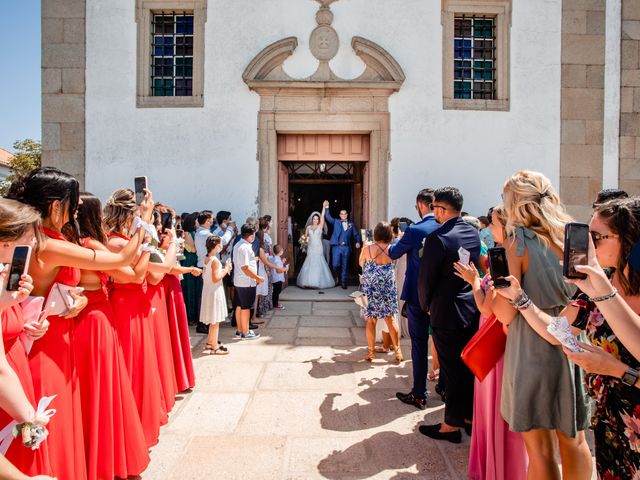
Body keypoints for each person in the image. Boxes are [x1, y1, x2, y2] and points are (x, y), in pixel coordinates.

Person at [6, 168, 150, 480]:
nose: (75, 213)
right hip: (47, 345)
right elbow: (120, 259)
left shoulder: (35, 242)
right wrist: (142, 220)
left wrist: (76, 300)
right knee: (54, 423)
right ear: (56, 207)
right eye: (72, 206)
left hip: (49, 334)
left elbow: (18, 294)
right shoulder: (48, 243)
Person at [496, 197, 640, 479]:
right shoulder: (598, 285)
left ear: (630, 240)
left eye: (598, 237)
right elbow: (557, 333)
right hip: (611, 421)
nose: (589, 245)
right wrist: (520, 299)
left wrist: (616, 370)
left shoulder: (601, 287)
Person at [491, 170, 592, 480]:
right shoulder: (573, 236)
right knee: (574, 440)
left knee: (540, 450)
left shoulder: (517, 242)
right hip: (573, 342)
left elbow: (505, 314)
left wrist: (496, 292)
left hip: (531, 347)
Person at [73, 193, 150, 480]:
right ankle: (106, 458)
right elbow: (129, 270)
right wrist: (144, 232)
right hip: (96, 320)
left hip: (97, 314)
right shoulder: (91, 244)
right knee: (103, 386)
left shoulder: (83, 244)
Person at [453, 204, 528, 479]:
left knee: (495, 408)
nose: (489, 227)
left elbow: (487, 308)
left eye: (494, 223)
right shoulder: (509, 254)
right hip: (498, 337)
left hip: (496, 341)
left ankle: (499, 469)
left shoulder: (505, 258)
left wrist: (474, 281)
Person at [104, 188, 167, 448]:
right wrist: (144, 245)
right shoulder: (116, 243)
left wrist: (146, 225)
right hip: (125, 305)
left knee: (142, 359)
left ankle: (142, 420)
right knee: (134, 361)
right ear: (128, 217)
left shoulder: (122, 239)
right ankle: (134, 425)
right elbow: (139, 275)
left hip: (135, 303)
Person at [417, 186, 480, 443]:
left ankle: (451, 426)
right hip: (470, 309)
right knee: (466, 368)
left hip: (445, 312)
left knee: (451, 371)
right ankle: (468, 418)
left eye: (434, 209)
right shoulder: (473, 232)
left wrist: (425, 306)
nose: (434, 213)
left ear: (441, 209)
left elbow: (426, 280)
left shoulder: (438, 238)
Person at [0, 199, 52, 477]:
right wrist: (30, 419)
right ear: (7, 242)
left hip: (16, 379)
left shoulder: (4, 274)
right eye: (29, 239)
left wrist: (26, 322)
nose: (33, 245)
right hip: (8, 396)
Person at [390, 189, 440, 410]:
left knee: (419, 345)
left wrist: (401, 240)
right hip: (441, 296)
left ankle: (419, 393)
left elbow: (393, 253)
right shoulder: (445, 226)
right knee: (442, 344)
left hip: (417, 296)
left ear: (421, 204)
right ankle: (445, 387)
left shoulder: (415, 229)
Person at [359, 222, 403, 362]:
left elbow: (361, 263)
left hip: (372, 288)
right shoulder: (393, 248)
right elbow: (394, 265)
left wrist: (364, 246)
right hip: (388, 287)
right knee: (390, 319)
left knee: (371, 320)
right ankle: (398, 352)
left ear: (376, 233)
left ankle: (371, 352)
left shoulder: (368, 249)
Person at [200, 235, 232, 355]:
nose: (221, 246)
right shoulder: (215, 260)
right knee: (215, 320)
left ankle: (210, 342)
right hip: (214, 290)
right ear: (216, 245)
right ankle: (214, 346)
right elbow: (216, 278)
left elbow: (205, 275)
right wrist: (226, 269)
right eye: (219, 244)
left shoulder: (206, 258)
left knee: (213, 318)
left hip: (208, 289)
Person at [233, 224, 263, 340]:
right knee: (246, 307)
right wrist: (257, 277)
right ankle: (245, 332)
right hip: (246, 281)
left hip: (239, 280)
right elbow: (245, 267)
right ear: (251, 235)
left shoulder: (238, 245)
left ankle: (240, 329)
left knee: (240, 305)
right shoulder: (245, 247)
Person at [323, 201, 361, 289]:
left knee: (345, 265)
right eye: (342, 214)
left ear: (347, 215)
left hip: (346, 247)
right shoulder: (336, 222)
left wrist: (358, 241)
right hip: (336, 247)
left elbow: (356, 234)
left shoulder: (351, 224)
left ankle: (344, 282)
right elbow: (328, 217)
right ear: (340, 215)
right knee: (335, 265)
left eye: (345, 214)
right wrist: (327, 207)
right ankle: (336, 277)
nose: (343, 215)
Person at [297, 211, 334, 289]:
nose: (315, 220)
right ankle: (308, 282)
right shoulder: (308, 228)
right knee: (310, 262)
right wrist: (303, 241)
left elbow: (323, 216)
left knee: (318, 263)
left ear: (319, 220)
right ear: (312, 219)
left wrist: (324, 208)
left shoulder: (320, 226)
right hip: (311, 247)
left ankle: (317, 282)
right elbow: (305, 237)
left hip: (318, 247)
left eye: (317, 219)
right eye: (314, 219)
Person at [194, 211, 214, 333]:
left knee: (204, 295)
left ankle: (203, 322)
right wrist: (230, 230)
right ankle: (202, 323)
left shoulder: (199, 233)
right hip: (205, 267)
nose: (212, 222)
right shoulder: (206, 234)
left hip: (202, 265)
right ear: (207, 221)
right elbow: (219, 244)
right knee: (205, 296)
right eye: (211, 220)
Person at [179, 212, 199, 323]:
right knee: (190, 289)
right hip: (189, 261)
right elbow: (192, 249)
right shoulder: (187, 233)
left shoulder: (194, 232)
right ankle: (190, 316)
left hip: (192, 260)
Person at [270, 244, 288, 309]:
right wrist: (285, 269)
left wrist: (282, 262)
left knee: (276, 291)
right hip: (277, 278)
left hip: (275, 278)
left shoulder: (274, 258)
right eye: (282, 250)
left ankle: (274, 302)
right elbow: (278, 271)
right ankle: (275, 304)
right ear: (280, 252)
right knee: (277, 291)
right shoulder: (277, 260)